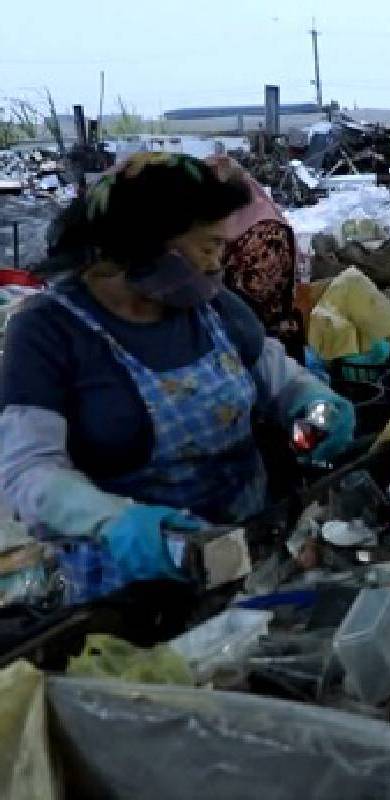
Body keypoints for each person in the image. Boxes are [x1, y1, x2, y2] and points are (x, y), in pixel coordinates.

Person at [0, 153, 355, 590]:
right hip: (134, 574)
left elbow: (282, 381)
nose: (215, 264)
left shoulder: (214, 307)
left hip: (249, 546)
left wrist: (314, 405)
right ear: (144, 244)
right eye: (208, 246)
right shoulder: (48, 331)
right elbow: (28, 471)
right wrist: (117, 522)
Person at [206, 155, 306, 360]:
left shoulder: (268, 233)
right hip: (231, 344)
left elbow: (252, 302)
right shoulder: (214, 229)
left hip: (268, 350)